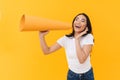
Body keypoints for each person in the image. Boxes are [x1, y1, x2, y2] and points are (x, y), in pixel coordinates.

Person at [39, 13, 95, 80]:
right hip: (72, 76)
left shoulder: (88, 37)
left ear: (86, 26)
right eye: (76, 19)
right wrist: (41, 36)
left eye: (83, 21)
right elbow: (46, 51)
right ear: (73, 23)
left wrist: (77, 39)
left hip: (87, 75)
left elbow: (81, 60)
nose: (78, 22)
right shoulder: (65, 39)